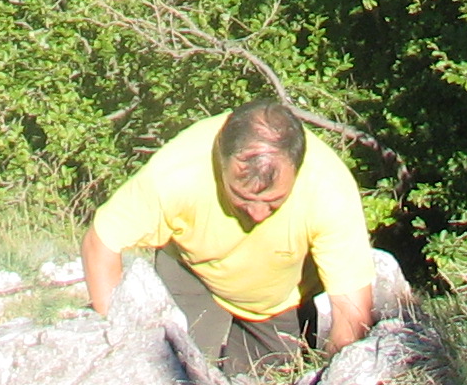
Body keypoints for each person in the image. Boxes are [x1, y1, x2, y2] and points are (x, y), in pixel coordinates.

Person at [82, 101, 376, 374]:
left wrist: (338, 375)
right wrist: (120, 348)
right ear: (220, 162)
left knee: (271, 379)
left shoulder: (329, 189)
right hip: (191, 273)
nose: (258, 214)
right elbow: (101, 244)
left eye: (274, 202)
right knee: (175, 373)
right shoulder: (177, 171)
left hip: (279, 298)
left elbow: (352, 314)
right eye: (242, 198)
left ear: (298, 172)